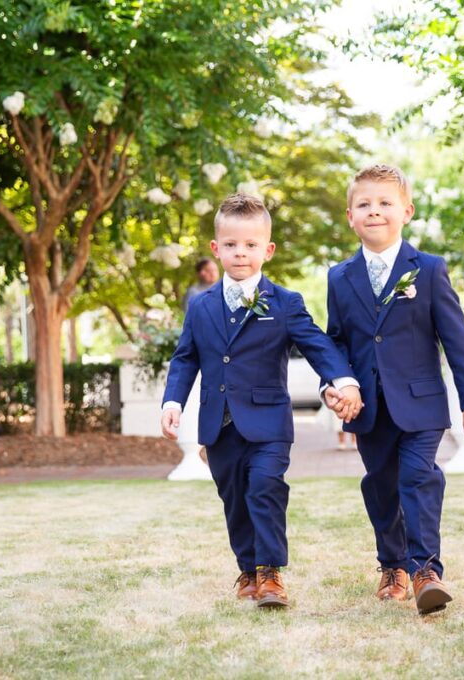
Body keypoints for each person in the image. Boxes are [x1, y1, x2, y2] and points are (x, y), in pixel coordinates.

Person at [160, 193, 362, 608]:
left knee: (265, 487)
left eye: (250, 245)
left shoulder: (285, 303)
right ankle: (248, 569)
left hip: (269, 421)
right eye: (231, 245)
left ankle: (271, 573)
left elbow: (316, 345)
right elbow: (186, 357)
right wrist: (172, 402)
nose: (240, 253)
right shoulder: (200, 306)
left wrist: (341, 379)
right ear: (216, 249)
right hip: (219, 424)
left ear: (267, 250)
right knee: (234, 496)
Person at [322, 164, 464, 614]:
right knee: (381, 485)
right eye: (364, 204)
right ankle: (392, 565)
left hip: (421, 404)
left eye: (385, 203)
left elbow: (456, 339)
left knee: (418, 477)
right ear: (350, 216)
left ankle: (425, 571)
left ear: (406, 211)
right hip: (367, 408)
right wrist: (334, 384)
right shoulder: (339, 278)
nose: (374, 211)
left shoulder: (430, 270)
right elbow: (335, 340)